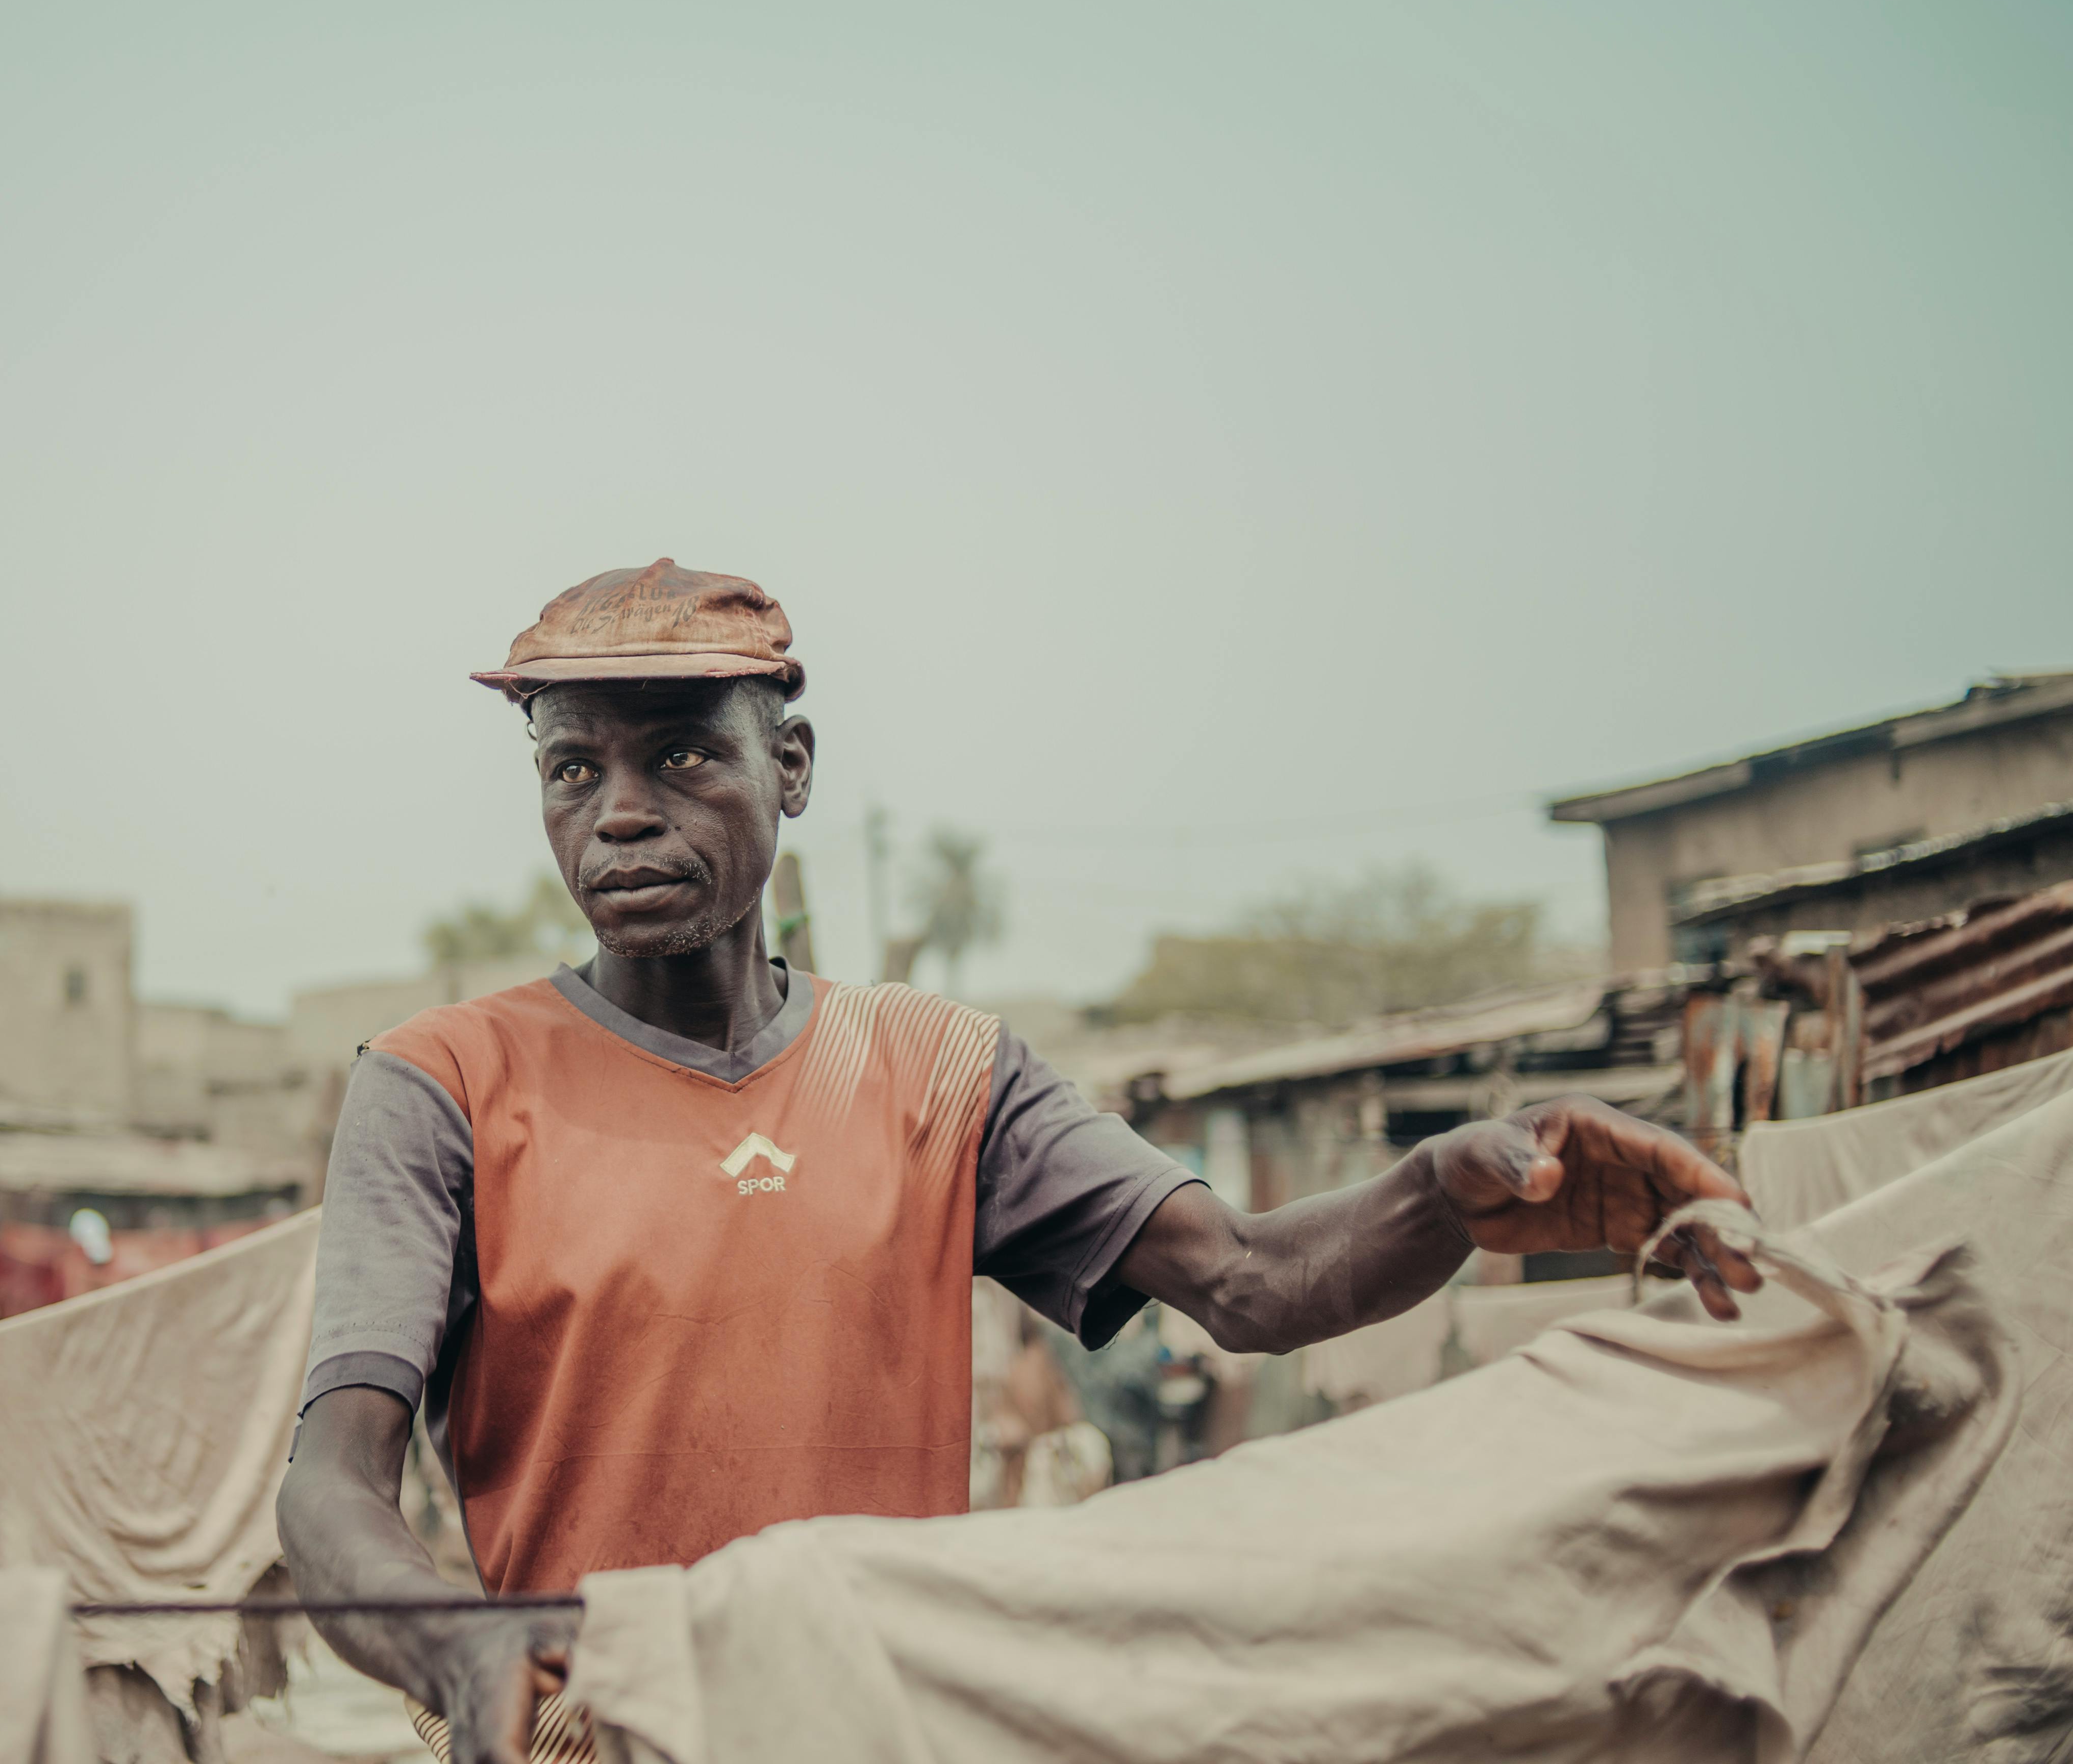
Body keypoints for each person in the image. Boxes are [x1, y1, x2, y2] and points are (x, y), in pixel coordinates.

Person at [277, 560, 1760, 1764]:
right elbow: (331, 1484)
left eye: (679, 753)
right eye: (571, 767)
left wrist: (1442, 1193)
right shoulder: (445, 1085)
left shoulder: (938, 1071)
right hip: (595, 1736)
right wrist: (454, 1641)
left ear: (788, 767)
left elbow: (1250, 1280)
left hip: (892, 1729)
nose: (620, 811)